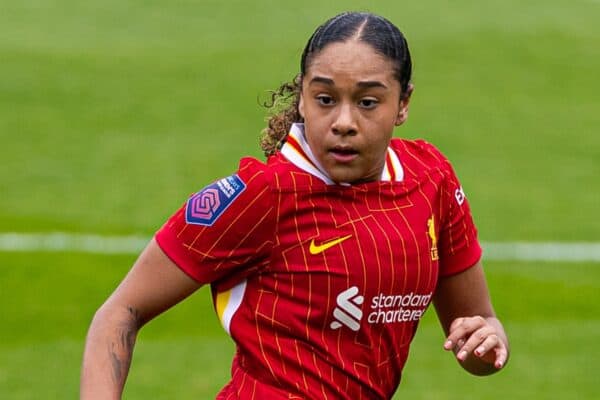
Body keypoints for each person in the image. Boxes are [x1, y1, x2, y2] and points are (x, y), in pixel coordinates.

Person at [80, 11, 509, 400]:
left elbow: (477, 331)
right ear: (303, 97)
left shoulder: (430, 180)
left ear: (403, 104)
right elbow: (120, 312)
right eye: (325, 99)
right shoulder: (263, 194)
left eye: (367, 102)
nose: (343, 122)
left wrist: (485, 347)